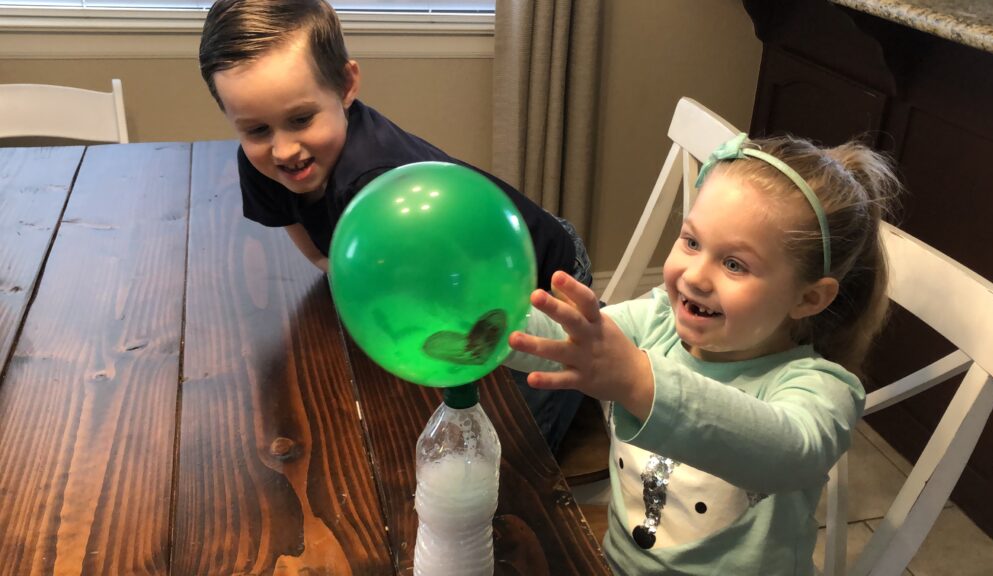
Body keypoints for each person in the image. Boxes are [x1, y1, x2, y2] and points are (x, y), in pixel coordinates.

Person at [197, 0, 591, 452]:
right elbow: (299, 228)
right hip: (450, 276)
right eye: (257, 130)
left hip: (544, 282)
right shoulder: (264, 163)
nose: (283, 149)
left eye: (301, 119)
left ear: (346, 85)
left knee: (510, 453)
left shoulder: (373, 181)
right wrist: (330, 265)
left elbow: (459, 294)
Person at [506, 132, 902, 575]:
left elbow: (792, 450)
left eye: (734, 264)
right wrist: (485, 321)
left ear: (808, 299)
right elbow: (564, 338)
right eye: (691, 242)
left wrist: (640, 382)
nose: (695, 276)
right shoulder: (657, 320)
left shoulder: (820, 386)